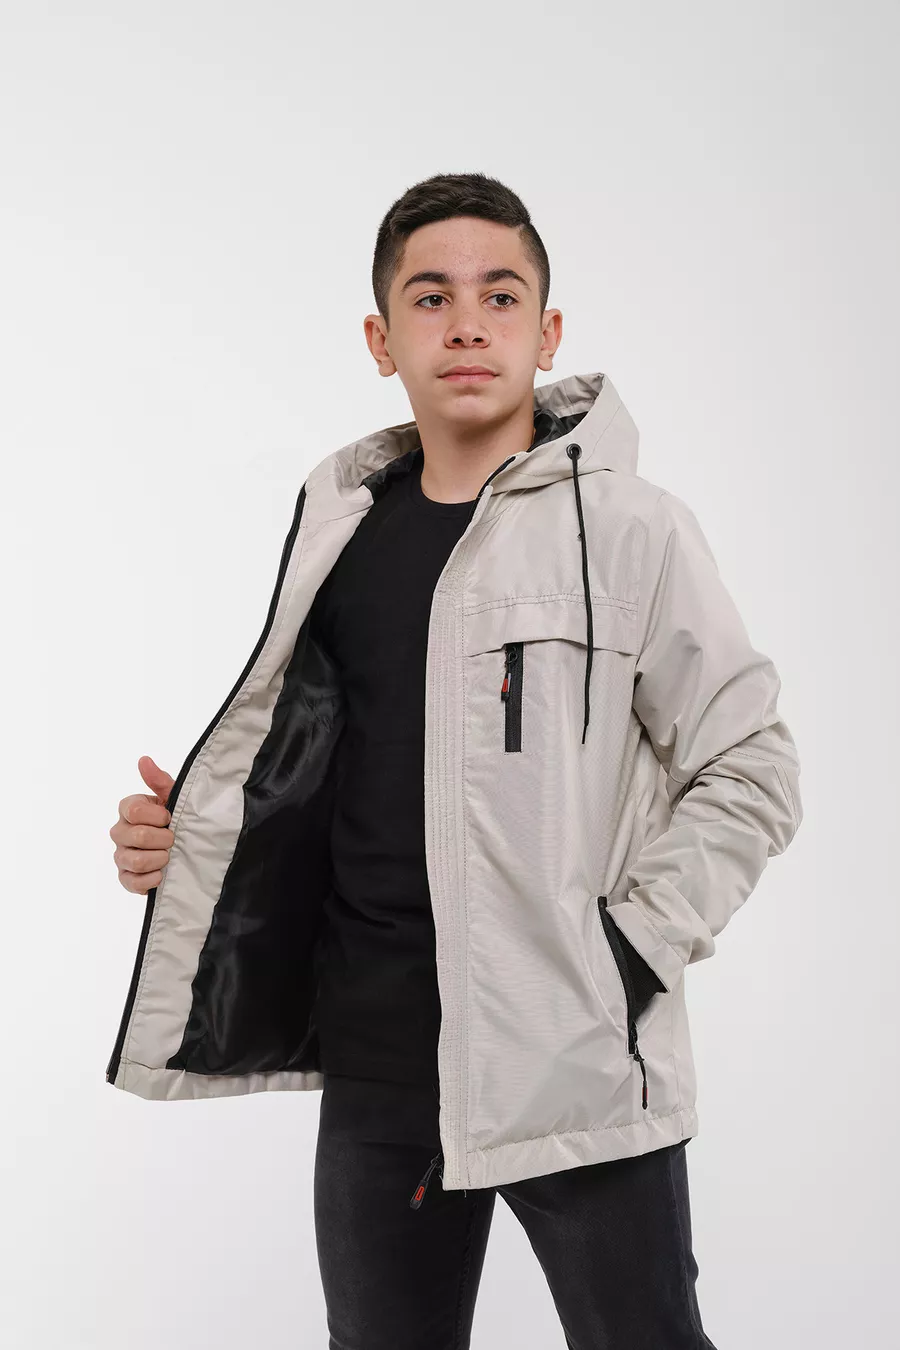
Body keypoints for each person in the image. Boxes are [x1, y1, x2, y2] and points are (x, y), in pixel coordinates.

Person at [107, 172, 802, 1349]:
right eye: (431, 298)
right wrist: (199, 847)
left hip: (574, 1061)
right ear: (382, 341)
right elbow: (336, 772)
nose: (468, 324)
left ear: (549, 332)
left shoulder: (633, 529)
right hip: (380, 1067)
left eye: (501, 295)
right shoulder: (341, 531)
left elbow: (750, 764)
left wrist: (629, 949)